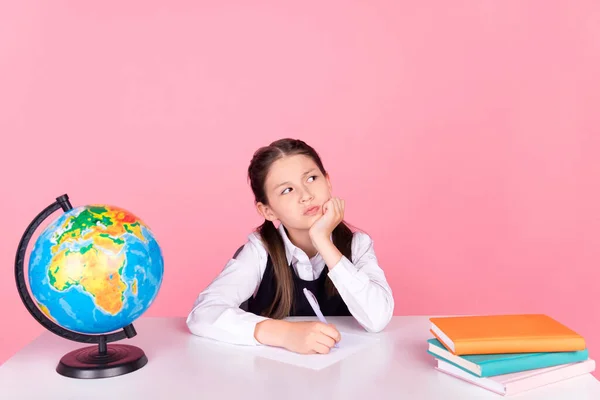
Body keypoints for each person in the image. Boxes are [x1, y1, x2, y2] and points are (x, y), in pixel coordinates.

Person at [186, 138, 394, 355]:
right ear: (267, 211)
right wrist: (285, 334)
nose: (306, 195)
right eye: (287, 190)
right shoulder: (259, 251)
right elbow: (203, 313)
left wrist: (323, 241)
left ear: (328, 181)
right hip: (273, 373)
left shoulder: (358, 245)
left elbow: (377, 319)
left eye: (312, 178)